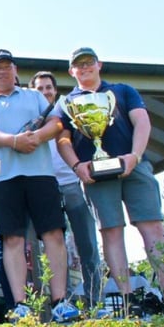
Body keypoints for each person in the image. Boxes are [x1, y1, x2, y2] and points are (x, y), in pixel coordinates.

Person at [56, 47, 164, 312]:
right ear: (71, 71)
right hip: (95, 176)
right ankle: (127, 299)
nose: (84, 67)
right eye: (78, 64)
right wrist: (76, 165)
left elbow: (142, 122)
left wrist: (135, 155)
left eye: (88, 62)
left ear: (99, 64)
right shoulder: (65, 103)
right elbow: (62, 139)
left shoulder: (122, 91)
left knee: (153, 229)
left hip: (135, 168)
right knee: (110, 231)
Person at [0, 49, 79, 323]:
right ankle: (20, 305)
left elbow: (56, 123)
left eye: (7, 66)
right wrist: (14, 141)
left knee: (53, 234)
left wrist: (37, 137)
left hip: (41, 175)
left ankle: (59, 301)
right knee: (12, 240)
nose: (3, 71)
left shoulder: (34, 96)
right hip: (1, 179)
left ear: (15, 70)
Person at [29, 71, 103, 308]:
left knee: (87, 244)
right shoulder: (30, 118)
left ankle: (95, 302)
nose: (45, 92)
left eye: (48, 87)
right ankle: (64, 302)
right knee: (51, 246)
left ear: (55, 90)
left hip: (72, 183)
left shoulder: (67, 111)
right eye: (39, 88)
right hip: (44, 185)